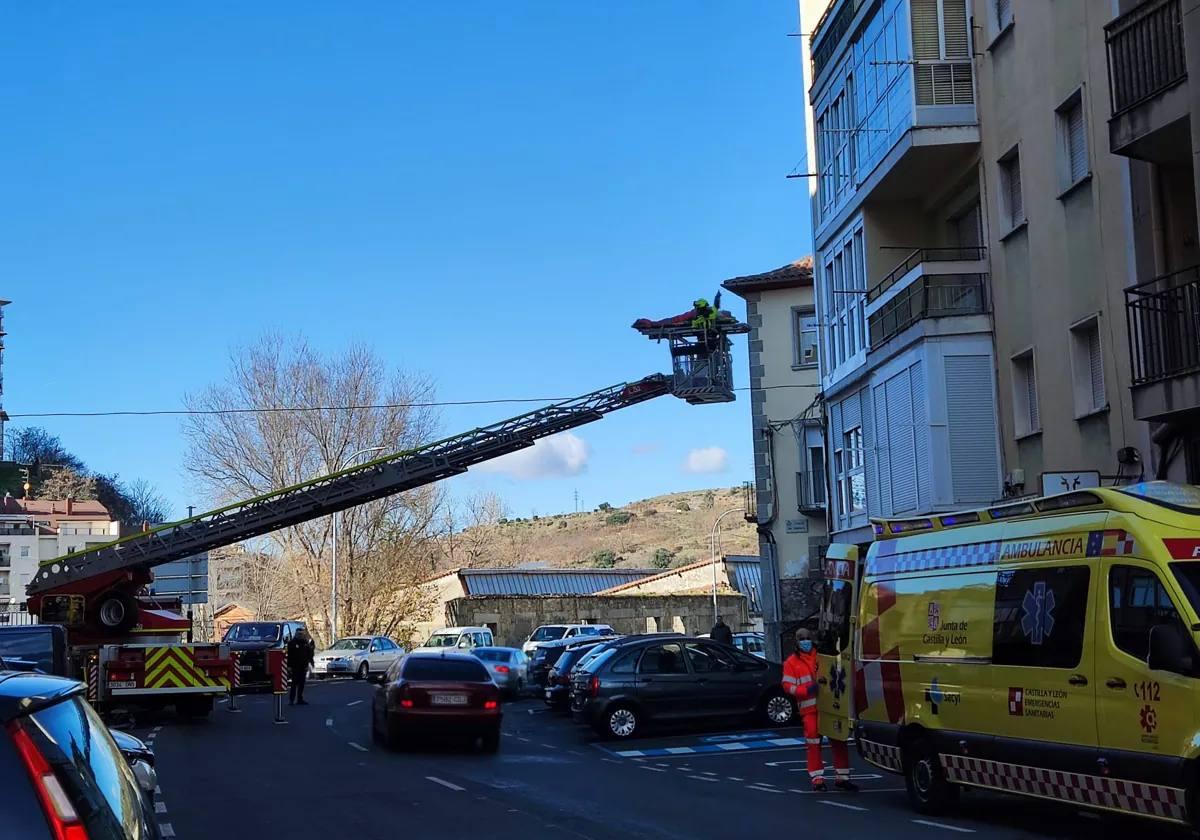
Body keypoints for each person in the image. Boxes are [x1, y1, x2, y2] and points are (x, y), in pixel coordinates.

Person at [782, 628, 856, 793]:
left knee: (839, 740)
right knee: (814, 744)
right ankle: (817, 779)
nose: (805, 641)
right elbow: (787, 687)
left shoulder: (822, 657)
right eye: (802, 638)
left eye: (808, 638)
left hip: (829, 706)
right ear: (796, 641)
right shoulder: (791, 663)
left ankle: (842, 778)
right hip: (810, 710)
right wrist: (806, 690)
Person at [287, 628, 315, 706]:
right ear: (296, 634)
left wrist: (310, 663)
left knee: (301, 683)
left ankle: (300, 699)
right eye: (299, 634)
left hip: (303, 666)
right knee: (294, 683)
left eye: (302, 634)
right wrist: (289, 666)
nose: (300, 635)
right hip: (294, 666)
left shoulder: (305, 643)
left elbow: (309, 654)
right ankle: (291, 700)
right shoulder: (292, 643)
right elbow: (289, 656)